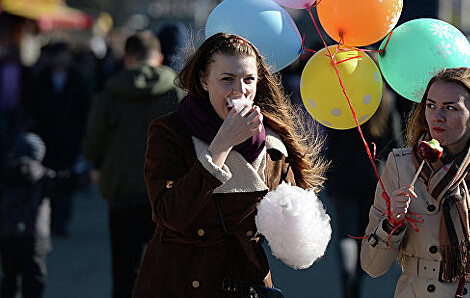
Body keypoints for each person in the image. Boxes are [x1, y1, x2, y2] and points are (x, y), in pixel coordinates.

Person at [132, 33, 328, 297]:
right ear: (204, 80)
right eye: (227, 79)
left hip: (246, 283)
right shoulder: (170, 131)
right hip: (180, 279)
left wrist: (296, 219)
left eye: (248, 79)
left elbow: (294, 230)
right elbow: (170, 213)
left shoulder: (273, 142)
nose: (240, 90)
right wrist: (221, 146)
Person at [360, 67, 470, 297]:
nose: (437, 116)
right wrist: (391, 223)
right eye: (431, 105)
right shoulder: (400, 166)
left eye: (450, 107)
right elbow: (371, 266)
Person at [81, 30, 184, 298]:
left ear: (127, 57)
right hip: (166, 193)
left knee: (124, 271)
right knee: (165, 271)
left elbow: (93, 144)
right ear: (160, 56)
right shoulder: (176, 92)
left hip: (121, 192)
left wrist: (96, 167)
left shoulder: (108, 94)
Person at [325, 87, 403, 298]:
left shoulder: (344, 98)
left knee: (346, 233)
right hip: (374, 176)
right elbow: (395, 143)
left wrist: (328, 177)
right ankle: (358, 280)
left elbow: (331, 142)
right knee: (365, 233)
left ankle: (349, 284)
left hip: (343, 174)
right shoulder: (386, 99)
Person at [29, 41, 91, 236]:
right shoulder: (40, 80)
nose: (61, 59)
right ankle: (48, 219)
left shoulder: (77, 80)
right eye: (58, 55)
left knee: (66, 180)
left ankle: (62, 221)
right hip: (45, 138)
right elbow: (32, 107)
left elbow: (85, 110)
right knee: (46, 180)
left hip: (69, 138)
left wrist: (82, 136)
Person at [0, 132, 53, 298]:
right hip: (35, 241)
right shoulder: (44, 176)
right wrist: (86, 177)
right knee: (35, 281)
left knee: (9, 279)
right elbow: (65, 183)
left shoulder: (5, 175)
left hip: (8, 238)